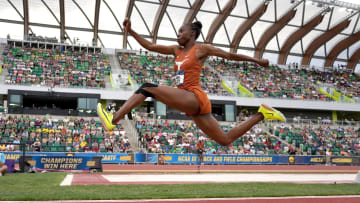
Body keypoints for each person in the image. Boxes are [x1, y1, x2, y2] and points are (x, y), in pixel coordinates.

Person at [97, 18, 286, 147]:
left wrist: (258, 61)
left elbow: (230, 55)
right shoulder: (175, 50)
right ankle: (262, 114)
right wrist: (130, 31)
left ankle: (113, 119)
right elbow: (150, 46)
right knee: (225, 140)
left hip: (194, 96)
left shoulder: (201, 49)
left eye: (181, 31)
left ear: (192, 33)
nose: (178, 33)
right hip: (189, 101)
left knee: (147, 87)